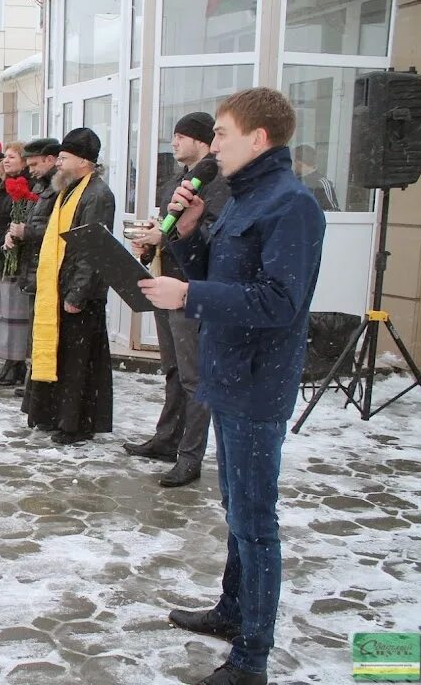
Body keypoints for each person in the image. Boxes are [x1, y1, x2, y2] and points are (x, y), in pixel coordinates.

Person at [139, 88, 326, 685]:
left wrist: (188, 295)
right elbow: (216, 276)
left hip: (257, 382)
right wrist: (187, 234)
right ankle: (231, 611)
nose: (211, 144)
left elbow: (279, 301)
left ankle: (252, 659)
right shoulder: (242, 199)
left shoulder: (290, 204)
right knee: (235, 506)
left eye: (221, 133)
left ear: (258, 139)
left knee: (254, 518)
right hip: (228, 373)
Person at [126, 112, 231, 488]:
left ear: (201, 141)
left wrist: (167, 237)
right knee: (172, 370)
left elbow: (210, 233)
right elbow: (167, 225)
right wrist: (150, 239)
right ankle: (167, 439)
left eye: (181, 136)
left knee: (194, 377)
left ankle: (190, 457)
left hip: (193, 289)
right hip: (165, 282)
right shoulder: (173, 182)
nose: (173, 142)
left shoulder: (217, 183)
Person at [22, 128, 115, 444]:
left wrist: (77, 293)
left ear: (84, 161)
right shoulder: (69, 191)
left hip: (81, 294)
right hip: (61, 287)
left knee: (79, 363)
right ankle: (55, 415)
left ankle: (76, 424)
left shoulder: (97, 195)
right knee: (62, 357)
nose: (58, 163)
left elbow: (92, 250)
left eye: (63, 157)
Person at [0, 142, 36, 387]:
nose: (6, 160)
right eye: (5, 157)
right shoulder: (4, 186)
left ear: (24, 161)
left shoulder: (27, 187)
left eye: (12, 157)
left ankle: (17, 363)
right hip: (1, 258)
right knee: (3, 312)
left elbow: (17, 221)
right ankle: (8, 360)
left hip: (17, 259)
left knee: (16, 314)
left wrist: (2, 242)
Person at [291, 144, 339, 212]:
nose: (292, 165)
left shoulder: (322, 183)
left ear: (298, 162)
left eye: (293, 161)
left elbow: (334, 211)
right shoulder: (293, 181)